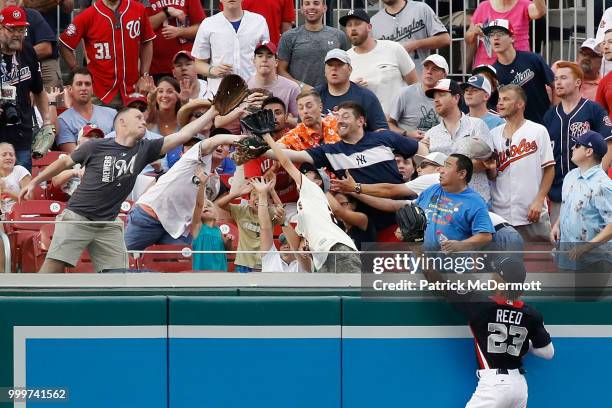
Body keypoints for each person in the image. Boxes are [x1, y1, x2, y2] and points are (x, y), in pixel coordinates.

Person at [19, 105, 220, 273]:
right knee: (50, 271)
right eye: (138, 117)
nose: (144, 121)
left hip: (108, 223)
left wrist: (213, 111)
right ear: (122, 123)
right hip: (79, 217)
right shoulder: (95, 146)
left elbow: (185, 133)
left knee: (117, 278)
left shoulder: (144, 149)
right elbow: (62, 164)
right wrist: (35, 182)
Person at [265, 101, 424, 242]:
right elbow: (293, 155)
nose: (339, 120)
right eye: (338, 117)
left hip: (405, 218)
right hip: (368, 227)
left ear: (361, 120)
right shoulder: (331, 151)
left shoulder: (383, 138)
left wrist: (425, 177)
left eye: (345, 116)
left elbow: (420, 149)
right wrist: (259, 150)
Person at [422, 255, 554, 408]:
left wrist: (420, 255)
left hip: (495, 384)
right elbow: (548, 353)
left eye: (495, 274)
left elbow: (441, 287)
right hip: (519, 386)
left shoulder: (480, 304)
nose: (492, 276)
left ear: (502, 282)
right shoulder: (531, 314)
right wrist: (523, 339)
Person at [125, 102, 242, 251]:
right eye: (219, 142)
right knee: (120, 260)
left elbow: (202, 208)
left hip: (176, 229)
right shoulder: (195, 155)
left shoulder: (216, 183)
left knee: (181, 268)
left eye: (225, 144)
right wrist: (244, 138)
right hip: (149, 216)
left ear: (229, 151)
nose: (219, 146)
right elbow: (213, 140)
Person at [262, 129, 361, 273]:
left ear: (318, 182)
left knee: (353, 293)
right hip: (324, 257)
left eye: (308, 173)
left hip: (337, 249)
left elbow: (285, 162)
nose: (303, 174)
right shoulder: (307, 204)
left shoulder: (313, 190)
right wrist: (284, 221)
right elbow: (296, 244)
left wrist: (267, 137)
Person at [543, 61, 612, 224]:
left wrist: (595, 179)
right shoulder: (550, 116)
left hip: (589, 193)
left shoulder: (594, 110)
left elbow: (609, 144)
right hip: (558, 194)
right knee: (562, 243)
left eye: (564, 78)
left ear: (578, 82)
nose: (558, 82)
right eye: (556, 78)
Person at [58, 0, 156, 109]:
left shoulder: (138, 9)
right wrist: (77, 70)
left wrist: (144, 75)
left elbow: (147, 41)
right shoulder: (88, 14)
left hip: (132, 89)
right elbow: (64, 44)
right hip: (98, 91)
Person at [489, 85, 555, 242]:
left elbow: (550, 169)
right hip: (500, 213)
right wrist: (490, 168)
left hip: (532, 211)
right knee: (504, 263)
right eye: (499, 99)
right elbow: (492, 176)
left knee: (541, 262)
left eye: (506, 99)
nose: (500, 103)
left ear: (520, 104)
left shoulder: (538, 131)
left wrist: (539, 200)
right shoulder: (492, 134)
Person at [423, 78, 494, 203]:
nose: (436, 100)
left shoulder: (477, 125)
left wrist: (441, 167)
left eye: (442, 95)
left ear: (456, 98)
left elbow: (486, 164)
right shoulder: (430, 134)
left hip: (476, 201)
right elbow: (426, 170)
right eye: (434, 96)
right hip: (444, 203)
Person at [551, 131, 612, 272]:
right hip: (568, 258)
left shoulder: (603, 185)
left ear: (589, 151)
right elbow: (568, 205)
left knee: (587, 294)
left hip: (594, 262)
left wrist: (586, 248)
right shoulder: (571, 176)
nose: (572, 148)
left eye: (577, 145)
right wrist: (557, 225)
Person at [0, 6, 51, 172]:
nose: (18, 34)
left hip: (22, 131)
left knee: (22, 186)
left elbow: (38, 90)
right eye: (12, 29)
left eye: (22, 29)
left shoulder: (27, 51)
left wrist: (47, 122)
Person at [341, 9, 417, 116]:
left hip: (398, 123)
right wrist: (352, 89)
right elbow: (341, 97)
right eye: (349, 25)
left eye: (358, 24)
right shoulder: (345, 59)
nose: (353, 28)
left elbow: (414, 85)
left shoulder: (393, 48)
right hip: (364, 126)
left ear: (369, 27)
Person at [415, 153, 494, 251]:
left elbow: (485, 236)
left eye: (447, 166)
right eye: (442, 165)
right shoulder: (431, 190)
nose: (440, 170)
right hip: (420, 261)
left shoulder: (475, 202)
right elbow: (413, 215)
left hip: (452, 264)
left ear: (462, 174)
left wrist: (462, 245)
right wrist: (404, 229)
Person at [486, 19, 555, 124]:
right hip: (514, 129)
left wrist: (553, 113)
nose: (495, 37)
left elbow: (555, 85)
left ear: (512, 38)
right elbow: (492, 106)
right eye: (491, 35)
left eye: (500, 33)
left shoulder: (532, 59)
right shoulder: (492, 73)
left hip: (543, 124)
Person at [192, 0, 269, 94]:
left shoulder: (259, 22)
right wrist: (213, 70)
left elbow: (268, 57)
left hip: (253, 92)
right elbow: (198, 64)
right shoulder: (208, 24)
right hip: (220, 94)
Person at [277, 0, 349, 89]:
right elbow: (280, 70)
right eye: (307, 3)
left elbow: (346, 66)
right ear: (301, 9)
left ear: (324, 8)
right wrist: (302, 87)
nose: (311, 7)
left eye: (316, 3)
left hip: (332, 95)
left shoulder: (339, 35)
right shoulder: (288, 36)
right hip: (300, 98)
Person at [316, 48, 388, 132]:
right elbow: (302, 129)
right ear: (325, 71)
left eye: (339, 64)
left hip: (359, 144)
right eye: (330, 65)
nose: (334, 68)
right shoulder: (315, 96)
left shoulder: (366, 96)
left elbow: (382, 131)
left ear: (350, 69)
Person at [370, 0, 450, 75]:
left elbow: (445, 39)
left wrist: (415, 45)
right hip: (390, 82)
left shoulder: (421, 8)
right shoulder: (374, 22)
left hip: (419, 79)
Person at [331, 151, 446, 199]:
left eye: (424, 165)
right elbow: (391, 204)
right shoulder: (424, 194)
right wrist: (354, 189)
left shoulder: (432, 180)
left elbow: (390, 191)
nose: (419, 169)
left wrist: (355, 187)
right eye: (396, 162)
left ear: (440, 169)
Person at [465, 0, 546, 68]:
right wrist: (473, 32)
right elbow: (468, 38)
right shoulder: (484, 6)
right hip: (486, 69)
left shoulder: (523, 4)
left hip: (518, 68)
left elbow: (540, 11)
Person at [1, 0, 62, 88]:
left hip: (42, 64)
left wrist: (22, 56)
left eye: (21, 29)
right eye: (12, 29)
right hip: (7, 65)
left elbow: (46, 48)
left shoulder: (32, 15)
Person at [252, 176, 307, 273]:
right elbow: (265, 227)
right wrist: (262, 194)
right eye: (283, 243)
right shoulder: (270, 258)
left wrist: (284, 222)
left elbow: (294, 246)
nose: (286, 246)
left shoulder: (303, 264)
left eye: (288, 243)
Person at [56, 67, 117, 153]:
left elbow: (121, 145)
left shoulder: (112, 113)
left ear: (92, 89)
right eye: (79, 84)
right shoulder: (63, 120)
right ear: (70, 89)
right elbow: (73, 155)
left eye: (87, 84)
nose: (84, 88)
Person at [388, 54, 447, 139]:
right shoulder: (405, 93)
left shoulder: (449, 98)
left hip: (438, 147)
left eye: (435, 69)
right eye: (426, 68)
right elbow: (389, 124)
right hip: (408, 147)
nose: (429, 72)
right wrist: (407, 133)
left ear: (444, 75)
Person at [146, 0, 206, 80]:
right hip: (156, 67)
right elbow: (143, 27)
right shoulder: (146, 1)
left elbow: (202, 28)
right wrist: (166, 13)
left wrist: (180, 31)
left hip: (186, 66)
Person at [191, 166, 231, 272]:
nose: (205, 207)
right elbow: (199, 204)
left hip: (220, 276)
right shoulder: (197, 227)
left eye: (208, 205)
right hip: (201, 278)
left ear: (216, 213)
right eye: (203, 206)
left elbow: (228, 250)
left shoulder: (219, 231)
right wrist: (202, 184)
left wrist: (228, 241)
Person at [247, 41, 300, 118]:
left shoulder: (292, 88)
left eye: (269, 56)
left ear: (276, 62)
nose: (264, 59)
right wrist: (245, 106)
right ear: (254, 61)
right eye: (260, 56)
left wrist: (281, 118)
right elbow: (233, 126)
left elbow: (300, 122)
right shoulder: (243, 86)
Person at [51, 124, 104, 197]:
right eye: (89, 136)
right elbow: (55, 182)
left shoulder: (107, 159)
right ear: (79, 140)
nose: (93, 139)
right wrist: (75, 172)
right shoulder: (67, 159)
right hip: (73, 200)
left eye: (97, 137)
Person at [146, 76, 183, 168]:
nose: (164, 95)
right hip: (151, 171)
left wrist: (185, 102)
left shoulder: (184, 120)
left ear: (178, 95)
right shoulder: (149, 118)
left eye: (170, 91)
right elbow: (149, 113)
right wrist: (151, 101)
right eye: (160, 91)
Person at [0, 142, 31, 217]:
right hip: (5, 218)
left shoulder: (20, 170)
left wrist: (5, 191)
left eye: (11, 155)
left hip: (24, 215)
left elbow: (29, 200)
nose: (8, 157)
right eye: (4, 155)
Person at [596, 30, 612, 114]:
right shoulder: (604, 82)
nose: (605, 47)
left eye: (610, 42)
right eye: (604, 43)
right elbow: (599, 117)